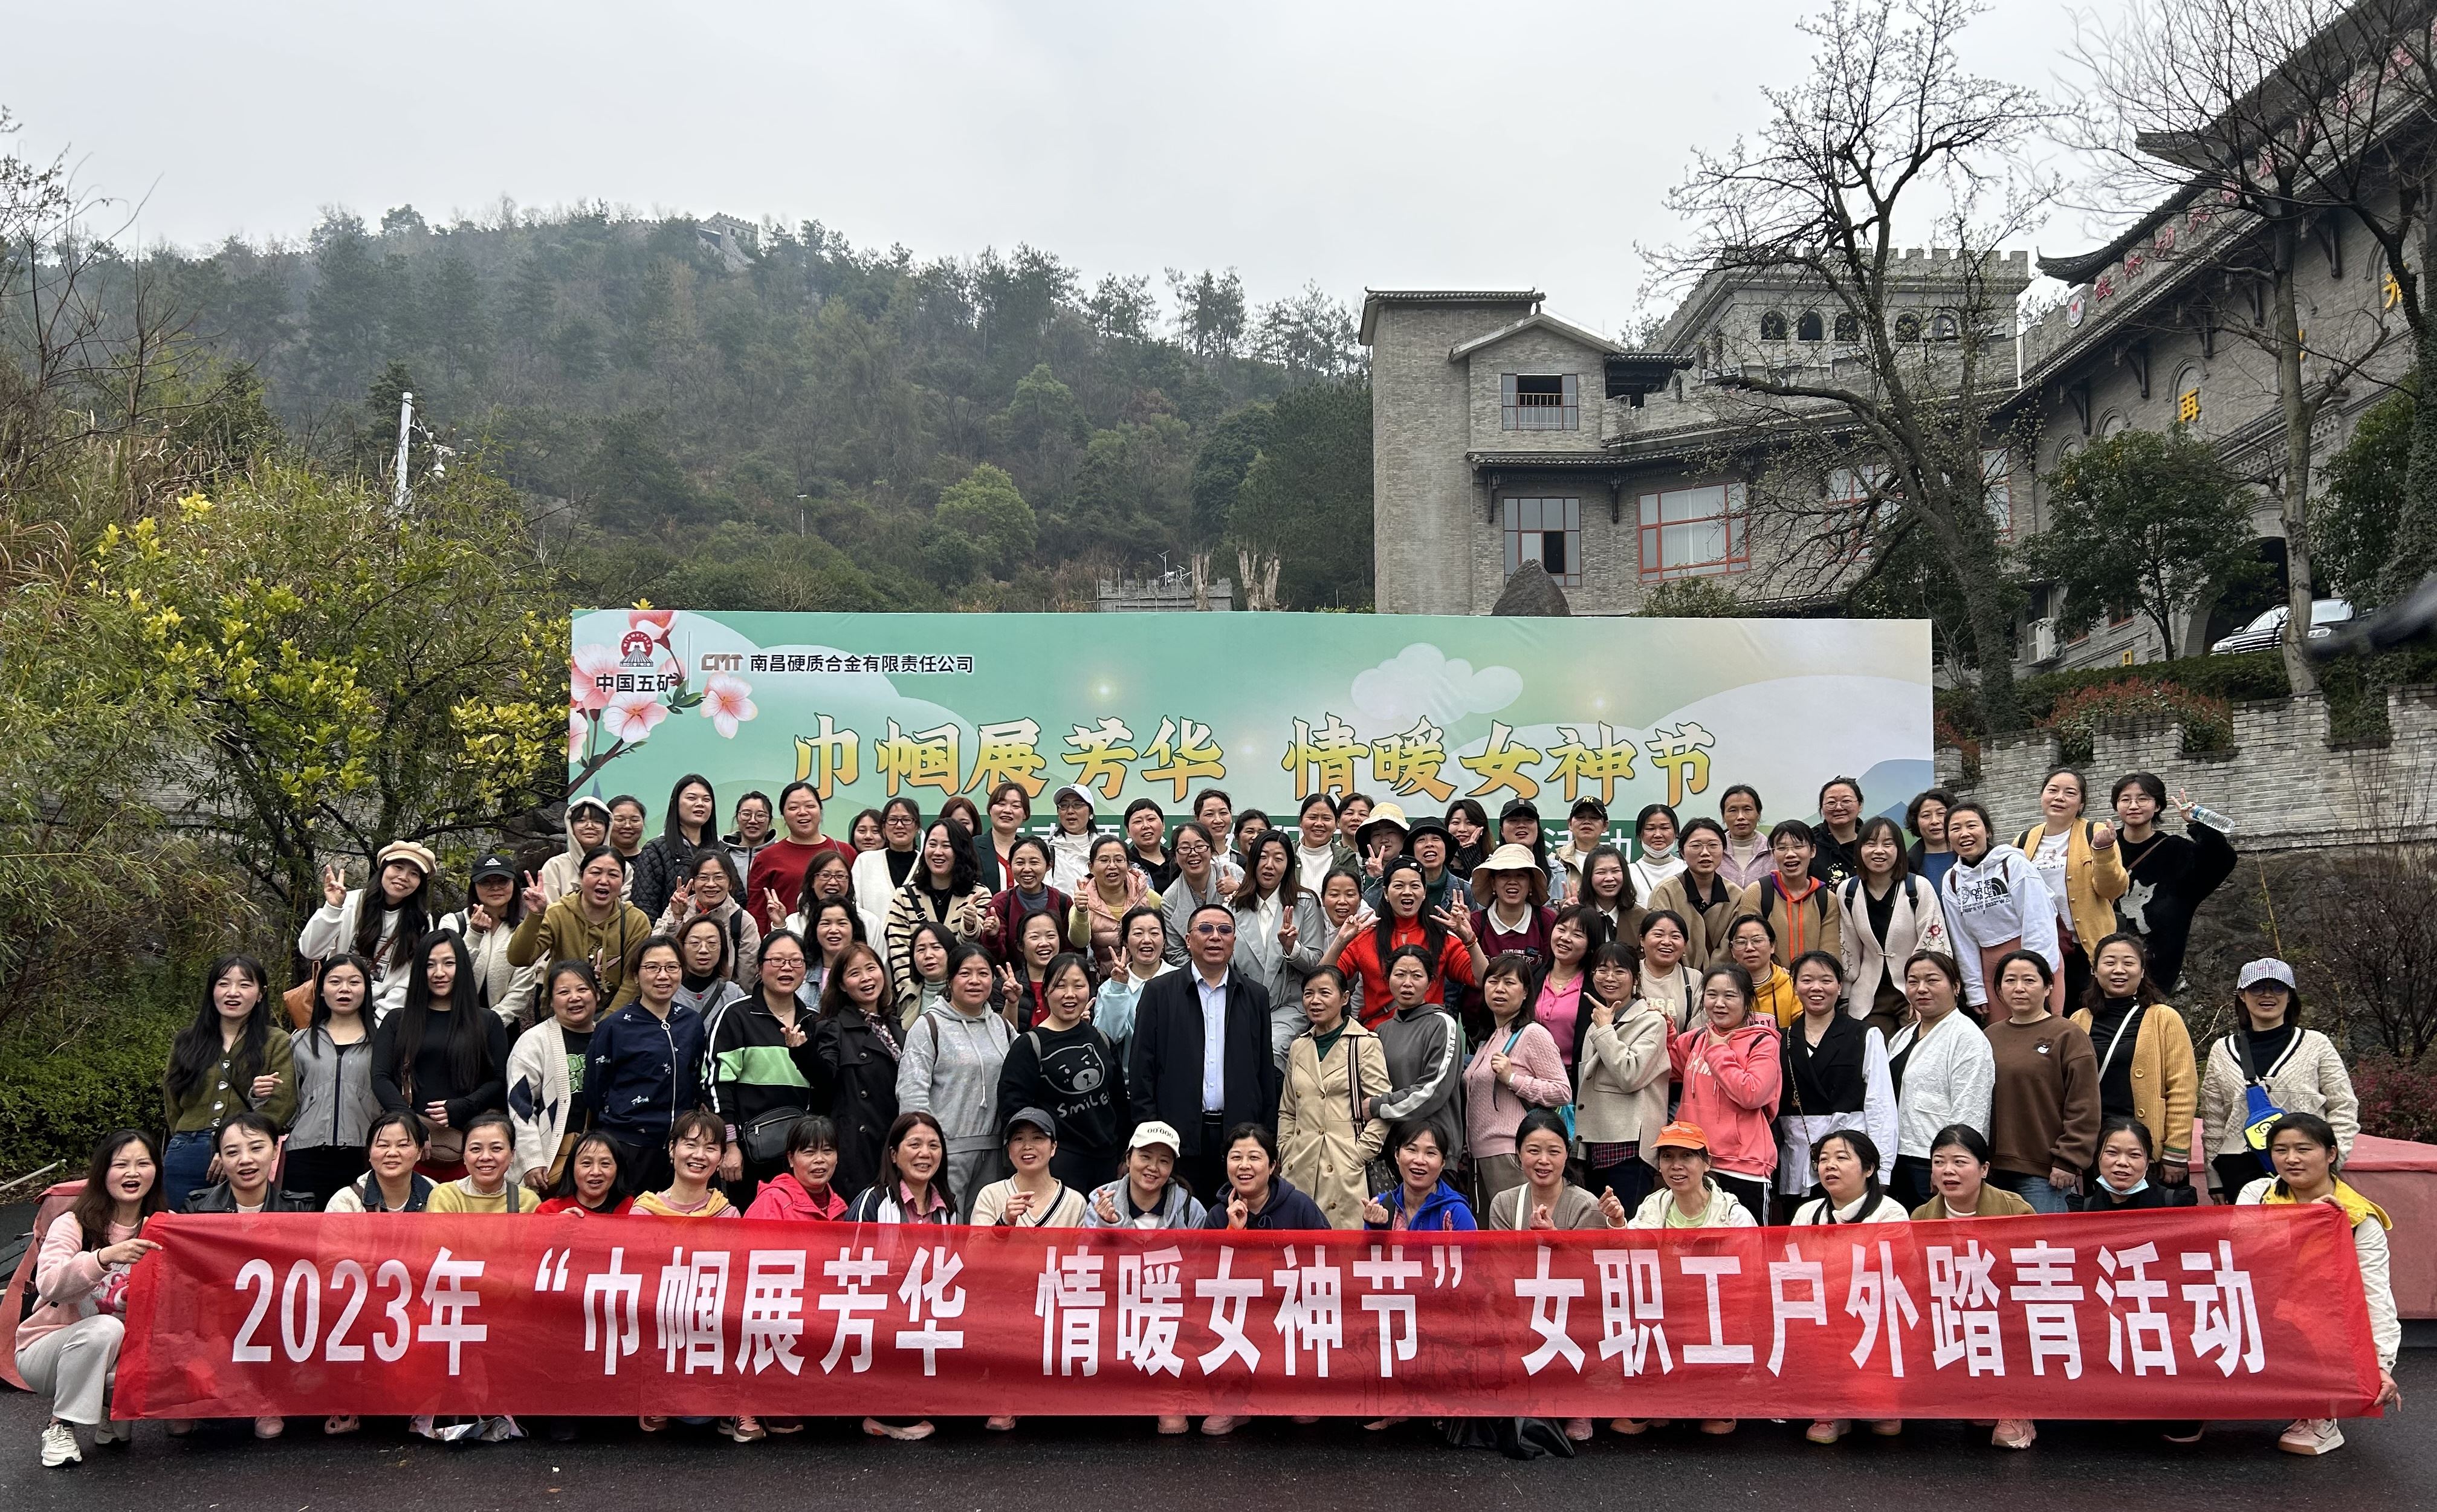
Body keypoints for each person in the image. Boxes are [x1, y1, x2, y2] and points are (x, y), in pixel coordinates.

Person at [2236, 1113, 2403, 1455]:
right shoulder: (2257, 1193)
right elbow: (2241, 1252)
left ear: (2330, 1154)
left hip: (2317, 1318)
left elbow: (2374, 1294)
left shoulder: (2360, 1218)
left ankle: (2320, 1417)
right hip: (2255, 1304)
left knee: (2313, 1320)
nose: (2291, 1159)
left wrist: (2380, 1367)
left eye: (2303, 1149)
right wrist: (2303, 1224)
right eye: (2280, 1150)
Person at [17, 1131, 164, 1467]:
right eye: (121, 1165)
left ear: (156, 1171)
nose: (132, 1173)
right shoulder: (73, 1223)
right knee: (105, 1329)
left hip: (124, 1352)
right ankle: (59, 1426)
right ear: (102, 1173)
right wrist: (103, 1258)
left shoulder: (162, 1225)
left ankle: (107, 1407)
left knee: (120, 1437)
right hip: (47, 1350)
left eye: (143, 1163)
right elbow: (49, 1284)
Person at [1128, 903, 1281, 1202]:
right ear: (1188, 940)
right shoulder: (1159, 992)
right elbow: (1141, 1068)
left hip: (1239, 1138)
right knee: (1183, 1224)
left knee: (1235, 1224)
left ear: (1234, 941)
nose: (1215, 937)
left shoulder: (1254, 995)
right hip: (1175, 1135)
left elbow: (1264, 1071)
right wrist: (1150, 1132)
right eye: (1206, 929)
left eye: (1225, 931)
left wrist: (1265, 1137)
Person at [2201, 956, 2358, 1201]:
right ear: (2242, 995)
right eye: (2257, 988)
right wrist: (2215, 1180)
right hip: (2239, 1169)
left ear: (2290, 994)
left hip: (2303, 1167)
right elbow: (2213, 1121)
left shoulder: (2316, 1045)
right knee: (2251, 1238)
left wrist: (2330, 1161)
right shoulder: (2222, 1049)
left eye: (2277, 988)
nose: (2267, 995)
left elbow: (2344, 1106)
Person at [843, 1112, 959, 1443]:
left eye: (934, 1145)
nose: (926, 1154)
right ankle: (882, 1412)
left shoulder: (947, 1207)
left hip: (927, 1308)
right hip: (880, 1307)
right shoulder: (873, 1201)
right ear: (894, 1154)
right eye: (915, 1145)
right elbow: (852, 1266)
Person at [1788, 1129, 1906, 1445]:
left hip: (1872, 1316)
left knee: (1881, 1420)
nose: (1830, 1166)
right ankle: (1829, 1408)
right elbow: (1789, 1269)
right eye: (1823, 1160)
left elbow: (1889, 1274)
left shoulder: (1891, 1213)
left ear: (1869, 1169)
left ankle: (1878, 1395)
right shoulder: (1807, 1213)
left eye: (1842, 1158)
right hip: (1820, 1316)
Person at [370, 932, 510, 1180]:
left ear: (463, 967)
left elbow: (498, 1081)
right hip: (410, 1149)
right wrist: (411, 1124)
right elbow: (380, 1078)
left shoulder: (487, 1021)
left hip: (470, 1150)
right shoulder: (396, 1021)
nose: (439, 973)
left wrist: (464, 1106)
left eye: (449, 963)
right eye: (430, 965)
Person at [160, 954, 295, 1204]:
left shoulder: (276, 1041)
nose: (233, 992)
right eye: (223, 984)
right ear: (212, 990)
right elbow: (172, 1100)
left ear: (261, 993)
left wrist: (236, 1146)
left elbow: (283, 1102)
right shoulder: (188, 1040)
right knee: (182, 1229)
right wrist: (183, 1137)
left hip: (244, 1153)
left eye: (244, 985)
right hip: (187, 1149)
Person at [577, 934, 705, 1194]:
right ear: (636, 975)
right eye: (652, 967)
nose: (663, 976)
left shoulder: (691, 1022)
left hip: (680, 1146)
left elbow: (696, 1075)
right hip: (629, 1144)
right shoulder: (614, 1026)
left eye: (672, 967)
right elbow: (594, 1089)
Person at [2069, 932, 2198, 1190]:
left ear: (2142, 971)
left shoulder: (2163, 1018)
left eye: (2128, 963)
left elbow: (2182, 1087)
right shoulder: (2078, 1021)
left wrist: (2176, 1151)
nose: (2119, 970)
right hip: (2098, 1148)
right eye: (2109, 963)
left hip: (2147, 1150)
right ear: (2094, 970)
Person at [702, 926, 820, 1206]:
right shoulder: (736, 1016)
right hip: (748, 1154)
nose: (786, 968)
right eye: (777, 961)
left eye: (796, 961)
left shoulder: (816, 1021)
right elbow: (717, 1084)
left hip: (799, 1155)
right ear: (759, 966)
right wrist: (729, 1145)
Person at [896, 942, 1015, 1213]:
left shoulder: (1002, 1027)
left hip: (995, 1150)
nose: (975, 981)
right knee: (945, 1228)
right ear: (949, 980)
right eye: (965, 973)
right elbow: (912, 1090)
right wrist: (923, 1146)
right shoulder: (929, 1026)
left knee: (987, 1229)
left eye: (983, 974)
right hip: (946, 1151)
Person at [1776, 952, 1897, 1210]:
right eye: (1807, 980)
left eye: (1826, 980)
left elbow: (1881, 1105)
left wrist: (1882, 1169)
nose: (1816, 988)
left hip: (1850, 1157)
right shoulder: (1780, 1039)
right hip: (1799, 1158)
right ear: (1795, 985)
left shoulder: (1864, 1035)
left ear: (1840, 986)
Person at [995, 953, 1128, 1187]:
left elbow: (1119, 1104)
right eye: (1060, 986)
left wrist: (1124, 1154)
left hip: (1107, 1164)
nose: (1070, 994)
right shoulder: (1029, 1046)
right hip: (1058, 1167)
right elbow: (1014, 1112)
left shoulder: (1101, 1039)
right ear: (1046, 991)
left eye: (1079, 985)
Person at [1984, 949, 2100, 1213]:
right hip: (1993, 1170)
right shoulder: (1989, 1036)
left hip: (2046, 1172)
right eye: (2010, 980)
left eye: (2029, 980)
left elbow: (2084, 1104)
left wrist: (2069, 1159)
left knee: (2045, 1249)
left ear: (2048, 987)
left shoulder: (2068, 1035)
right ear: (1999, 990)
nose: (2019, 988)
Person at [1276, 966, 1391, 1229]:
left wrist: (1359, 1153)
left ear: (1345, 998)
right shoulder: (1299, 1046)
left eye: (1324, 993)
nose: (1315, 1001)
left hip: (1344, 1166)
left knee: (1342, 1254)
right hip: (1301, 1163)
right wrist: (1285, 1149)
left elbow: (1383, 1106)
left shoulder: (1364, 1043)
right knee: (1298, 1252)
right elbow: (1288, 1110)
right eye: (1308, 994)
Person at [1669, 963, 1780, 1223]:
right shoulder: (1695, 1039)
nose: (1719, 1003)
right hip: (1696, 1162)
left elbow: (1752, 1093)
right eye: (1712, 995)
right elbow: (1666, 1069)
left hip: (1744, 1166)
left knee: (1748, 1253)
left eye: (1730, 996)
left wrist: (1719, 1052)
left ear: (1747, 1000)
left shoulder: (1762, 1041)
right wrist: (1664, 1033)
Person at [1885, 953, 1993, 1210]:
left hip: (1934, 1162)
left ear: (1956, 986)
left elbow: (1972, 1108)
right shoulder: (1902, 1037)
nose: (1921, 989)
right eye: (1913, 982)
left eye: (1932, 980)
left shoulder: (1967, 1037)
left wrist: (1950, 1165)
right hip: (1898, 1156)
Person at [2013, 767, 2126, 1012]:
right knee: (2049, 1016)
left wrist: (2103, 851)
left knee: (2090, 1015)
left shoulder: (2095, 833)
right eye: (2052, 790)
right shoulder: (2022, 841)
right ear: (2042, 796)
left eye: (2070, 793)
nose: (2059, 798)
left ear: (2081, 803)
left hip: (2086, 948)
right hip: (2042, 947)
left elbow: (2113, 890)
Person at [1329, 855, 1486, 1030]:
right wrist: (1341, 941)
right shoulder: (1366, 937)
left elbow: (1481, 980)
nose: (1407, 892)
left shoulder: (1442, 938)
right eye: (1398, 886)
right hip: (1377, 1037)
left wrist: (1470, 940)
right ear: (1386, 893)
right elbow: (1324, 980)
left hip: (1428, 1036)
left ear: (1424, 892)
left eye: (1415, 886)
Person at [2110, 773, 2236, 990]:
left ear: (2157, 806)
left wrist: (2198, 825)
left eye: (2143, 799)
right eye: (2125, 799)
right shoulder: (2104, 846)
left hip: (2157, 967)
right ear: (2116, 806)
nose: (2134, 806)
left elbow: (2222, 860)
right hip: (2105, 963)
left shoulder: (2175, 851)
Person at [1463, 954, 1570, 1204]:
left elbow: (1562, 1091)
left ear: (1525, 993)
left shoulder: (1532, 1033)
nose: (1499, 989)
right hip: (1480, 1155)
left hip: (1511, 1151)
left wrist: (1512, 1079)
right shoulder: (1488, 1038)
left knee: (1515, 1235)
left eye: (1509, 983)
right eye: (1493, 981)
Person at [1575, 940, 1672, 1214]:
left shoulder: (1652, 1021)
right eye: (1602, 970)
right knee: (1597, 1234)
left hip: (1630, 1148)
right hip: (1595, 1145)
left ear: (1636, 978)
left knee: (1626, 1231)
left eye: (1620, 971)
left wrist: (1605, 1030)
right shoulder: (1598, 1020)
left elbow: (1630, 1074)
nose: (1609, 978)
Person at [1938, 799, 2058, 1013]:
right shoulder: (1952, 880)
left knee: (2045, 1034)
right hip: (1991, 967)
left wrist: (2037, 974)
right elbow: (1962, 939)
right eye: (1955, 829)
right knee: (2002, 1037)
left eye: (1972, 826)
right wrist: (1975, 989)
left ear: (1988, 831)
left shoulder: (2014, 864)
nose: (1964, 833)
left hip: (2034, 955)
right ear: (1948, 838)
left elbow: (2039, 921)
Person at [299, 839, 439, 1020]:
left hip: (380, 1016)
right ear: (383, 869)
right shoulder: (349, 902)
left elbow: (411, 977)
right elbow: (311, 950)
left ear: (420, 883)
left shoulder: (421, 920)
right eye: (397, 867)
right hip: (333, 1009)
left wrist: (381, 1020)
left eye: (414, 874)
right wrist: (332, 909)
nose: (404, 877)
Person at [1837, 816, 1950, 1039]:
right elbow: (1848, 948)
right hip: (1869, 994)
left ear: (1899, 850)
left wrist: (1924, 991)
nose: (1879, 851)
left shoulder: (1917, 888)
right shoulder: (1847, 891)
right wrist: (1846, 999)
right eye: (1870, 844)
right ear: (1860, 849)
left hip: (1914, 989)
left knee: (1918, 1050)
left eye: (1888, 844)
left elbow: (1934, 944)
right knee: (1869, 1053)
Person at [807, 940, 901, 1198]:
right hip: (858, 1145)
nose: (866, 978)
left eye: (871, 969)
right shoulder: (832, 1027)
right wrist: (802, 1051)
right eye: (854, 973)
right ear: (841, 985)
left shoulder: (896, 1026)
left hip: (892, 1139)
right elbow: (824, 1079)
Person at [508, 845, 653, 1010]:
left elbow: (632, 980)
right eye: (596, 873)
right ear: (581, 876)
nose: (604, 881)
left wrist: (606, 1025)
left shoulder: (636, 921)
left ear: (622, 881)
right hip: (562, 1011)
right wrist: (535, 916)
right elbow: (519, 958)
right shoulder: (559, 913)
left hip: (612, 1013)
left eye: (613, 875)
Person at [284, 953, 377, 1208]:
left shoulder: (382, 1043)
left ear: (366, 990)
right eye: (335, 982)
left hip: (364, 1153)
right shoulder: (300, 1041)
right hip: (305, 1152)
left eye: (354, 982)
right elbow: (286, 1103)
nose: (344, 989)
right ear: (321, 990)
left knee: (356, 1238)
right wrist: (260, 1095)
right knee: (302, 1236)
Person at [1368, 945, 1468, 1181]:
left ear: (1431, 981)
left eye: (1417, 975)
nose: (1407, 983)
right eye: (1400, 974)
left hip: (1435, 1152)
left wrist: (1378, 1106)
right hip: (1394, 1153)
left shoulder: (1442, 1024)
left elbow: (1432, 1090)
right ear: (1388, 979)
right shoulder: (1381, 1031)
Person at [1231, 830, 1329, 1065]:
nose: (1269, 865)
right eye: (1263, 857)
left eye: (1278, 858)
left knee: (1270, 1053)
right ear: (1253, 862)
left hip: (1288, 1006)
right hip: (1240, 1006)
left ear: (1289, 865)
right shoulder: (1233, 907)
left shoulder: (1305, 903)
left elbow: (1317, 963)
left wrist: (1292, 949)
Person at [506, 961, 597, 1194]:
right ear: (551, 999)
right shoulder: (534, 1041)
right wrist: (532, 1158)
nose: (574, 998)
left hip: (595, 1160)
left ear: (596, 994)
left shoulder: (608, 1037)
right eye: (564, 992)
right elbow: (520, 1106)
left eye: (582, 989)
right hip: (550, 1156)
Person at [885, 818, 991, 1003]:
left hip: (964, 1002)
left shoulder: (978, 895)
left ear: (961, 851)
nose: (937, 852)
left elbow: (972, 953)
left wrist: (970, 926)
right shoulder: (904, 896)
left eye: (946, 846)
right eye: (932, 844)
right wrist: (911, 997)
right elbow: (899, 954)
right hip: (917, 1000)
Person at [444, 850, 544, 1027]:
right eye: (486, 882)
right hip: (449, 1021)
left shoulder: (523, 931)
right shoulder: (453, 922)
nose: (495, 888)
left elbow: (521, 990)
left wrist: (490, 1024)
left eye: (502, 881)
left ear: (514, 884)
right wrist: (473, 934)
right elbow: (446, 971)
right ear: (474, 887)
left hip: (500, 1027)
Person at [1487, 1107, 1623, 1230]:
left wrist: (1553, 1238)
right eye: (1534, 1151)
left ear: (1567, 1154)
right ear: (1519, 1152)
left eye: (1553, 1152)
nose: (1544, 1160)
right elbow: (1502, 1258)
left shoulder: (1587, 1206)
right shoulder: (1504, 1204)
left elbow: (1587, 1258)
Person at [746, 780, 852, 934]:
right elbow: (757, 914)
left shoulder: (845, 851)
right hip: (786, 946)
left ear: (820, 810)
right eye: (794, 808)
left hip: (837, 939)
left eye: (810, 806)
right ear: (783, 814)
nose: (803, 812)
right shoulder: (767, 857)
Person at [1737, 819, 1843, 969]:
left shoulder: (1827, 899)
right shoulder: (1757, 893)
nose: (1790, 854)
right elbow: (1748, 950)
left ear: (1813, 851)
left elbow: (1830, 956)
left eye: (1798, 847)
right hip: (1766, 987)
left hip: (1812, 988)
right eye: (1782, 848)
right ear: (1773, 853)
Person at [656, 849, 762, 994]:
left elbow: (746, 977)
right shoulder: (677, 907)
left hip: (723, 998)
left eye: (719, 877)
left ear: (731, 883)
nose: (711, 884)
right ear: (692, 883)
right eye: (704, 878)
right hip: (675, 994)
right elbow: (656, 950)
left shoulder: (743, 921)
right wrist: (677, 918)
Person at [971, 1107, 1089, 1227]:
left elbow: (1085, 1246)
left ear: (1053, 1147)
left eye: (1037, 1138)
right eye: (1018, 1139)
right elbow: (975, 1246)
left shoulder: (1075, 1202)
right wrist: (1005, 1222)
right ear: (1009, 1151)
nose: (1027, 1146)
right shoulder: (990, 1195)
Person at [184, 1112, 314, 1221]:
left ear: (275, 1151)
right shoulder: (196, 1208)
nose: (245, 1160)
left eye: (256, 1148)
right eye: (232, 1152)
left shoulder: (299, 1208)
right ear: (221, 1159)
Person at [1086, 1122, 1209, 1230]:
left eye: (1164, 1161)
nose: (1153, 1167)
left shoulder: (1191, 1209)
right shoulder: (1101, 1204)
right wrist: (1106, 1225)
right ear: (1128, 1159)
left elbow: (1201, 1255)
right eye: (1146, 1157)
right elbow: (1088, 1253)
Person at [1645, 819, 1736, 968]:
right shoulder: (1666, 892)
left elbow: (1732, 945)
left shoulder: (1735, 895)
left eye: (1713, 845)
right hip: (1675, 977)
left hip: (1723, 980)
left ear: (1724, 850)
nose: (1705, 853)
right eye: (1696, 846)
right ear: (1682, 852)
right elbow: (1659, 941)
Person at [631, 773, 716, 922]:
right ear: (674, 803)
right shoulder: (655, 850)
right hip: (668, 940)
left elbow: (737, 902)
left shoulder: (722, 851)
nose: (700, 804)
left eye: (706, 799)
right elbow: (644, 910)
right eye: (691, 798)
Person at [977, 835, 1072, 969]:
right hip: (1014, 979)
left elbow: (1071, 950)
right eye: (1020, 863)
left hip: (1056, 979)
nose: (1027, 869)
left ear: (1049, 865)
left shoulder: (1063, 902)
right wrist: (993, 936)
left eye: (1034, 862)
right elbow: (994, 957)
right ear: (1010, 865)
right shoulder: (1001, 903)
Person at [1364, 1121, 1476, 1232]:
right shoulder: (1381, 1206)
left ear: (1443, 1163)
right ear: (1397, 1155)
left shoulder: (1456, 1212)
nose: (1420, 1161)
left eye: (1431, 1153)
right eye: (1412, 1150)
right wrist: (1376, 1228)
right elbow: (1372, 1250)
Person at [1915, 1122, 2036, 1222]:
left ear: (1984, 1169)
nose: (1948, 1171)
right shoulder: (1920, 1218)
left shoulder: (2016, 1211)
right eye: (1939, 1162)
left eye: (1959, 1162)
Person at [1468, 842, 1554, 981]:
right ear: (1493, 883)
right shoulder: (1474, 922)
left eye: (1520, 876)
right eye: (1504, 875)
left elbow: (1554, 972)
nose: (1512, 882)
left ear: (1531, 884)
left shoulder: (1546, 920)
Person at [1093, 905, 1171, 1059]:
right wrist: (1118, 989)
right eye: (1138, 934)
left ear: (1164, 942)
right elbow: (1107, 1039)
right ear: (1126, 943)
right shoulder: (1110, 987)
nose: (1147, 940)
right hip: (1129, 1079)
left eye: (1154, 933)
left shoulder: (1182, 980)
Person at [2077, 1116, 2198, 1212]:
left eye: (2134, 1155)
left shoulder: (2175, 1204)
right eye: (2112, 1153)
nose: (2122, 1163)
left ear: (2148, 1162)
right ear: (2098, 1157)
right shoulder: (2083, 1210)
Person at [327, 1110, 438, 1213]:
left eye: (403, 1145)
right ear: (370, 1152)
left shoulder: (437, 1195)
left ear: (419, 1152)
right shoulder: (346, 1201)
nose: (392, 1153)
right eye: (383, 1145)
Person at [743, 1114, 849, 1221]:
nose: (820, 1159)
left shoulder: (840, 1207)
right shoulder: (772, 1201)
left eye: (827, 1151)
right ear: (791, 1159)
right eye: (809, 1152)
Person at [425, 1112, 535, 1212]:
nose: (485, 1157)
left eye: (496, 1148)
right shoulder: (446, 1196)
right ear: (464, 1156)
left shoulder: (526, 1201)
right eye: (476, 1149)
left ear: (512, 1155)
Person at [1527, 906, 1594, 1070]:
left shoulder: (1595, 988)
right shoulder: (1531, 975)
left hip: (1573, 1079)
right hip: (1527, 1072)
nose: (1565, 938)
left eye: (1577, 935)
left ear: (1591, 944)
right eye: (1561, 929)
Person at [1158, 821, 1231, 968]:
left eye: (1200, 846)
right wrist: (1205, 974)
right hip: (1196, 977)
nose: (1193, 853)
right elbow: (1176, 952)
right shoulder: (1170, 899)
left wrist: (1240, 891)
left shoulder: (1232, 874)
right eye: (1184, 848)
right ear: (1175, 856)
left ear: (1212, 850)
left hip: (1241, 971)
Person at [1627, 910, 1703, 1029]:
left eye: (1675, 937)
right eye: (1658, 935)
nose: (1667, 942)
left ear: (1685, 945)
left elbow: (1698, 1028)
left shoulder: (1694, 978)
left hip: (1679, 1047)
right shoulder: (1629, 972)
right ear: (1642, 940)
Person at [1391, 814, 1474, 917]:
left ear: (1446, 849)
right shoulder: (1395, 889)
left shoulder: (1465, 890)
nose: (1429, 844)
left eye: (1436, 839)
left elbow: (1476, 931)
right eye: (1421, 840)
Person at [1727, 913, 1799, 1029]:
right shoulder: (1723, 987)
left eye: (1758, 940)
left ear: (1772, 946)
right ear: (1732, 951)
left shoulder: (1792, 986)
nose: (1749, 948)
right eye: (1741, 942)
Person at [535, 1130, 630, 1216]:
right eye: (586, 1163)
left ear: (618, 1169)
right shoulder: (548, 1211)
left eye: (605, 1164)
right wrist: (556, 1227)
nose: (596, 1172)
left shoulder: (632, 1210)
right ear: (572, 1168)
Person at [540, 796, 615, 906]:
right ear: (571, 826)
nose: (590, 826)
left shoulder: (621, 867)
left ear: (607, 827)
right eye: (581, 821)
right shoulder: (555, 866)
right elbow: (550, 911)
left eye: (598, 821)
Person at [998, 908, 1065, 1030]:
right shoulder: (1003, 987)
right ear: (1020, 945)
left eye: (1051, 936)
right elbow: (1001, 1037)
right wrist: (1012, 1003)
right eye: (1035, 937)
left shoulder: (1076, 983)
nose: (1044, 943)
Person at [671, 914, 746, 1021]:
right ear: (682, 947)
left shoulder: (733, 994)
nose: (703, 950)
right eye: (695, 943)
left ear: (722, 948)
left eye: (712, 943)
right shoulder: (668, 990)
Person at [1497, 797, 1567, 900]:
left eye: (1529, 820)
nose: (1521, 825)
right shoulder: (1486, 870)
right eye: (1513, 820)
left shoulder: (1556, 871)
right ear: (1502, 830)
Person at [892, 919, 956, 1030]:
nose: (928, 955)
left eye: (936, 947)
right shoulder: (908, 996)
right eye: (921, 950)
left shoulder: (966, 991)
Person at [1571, 845, 1639, 949]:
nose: (1609, 878)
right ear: (1589, 877)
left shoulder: (1641, 918)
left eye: (1616, 871)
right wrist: (1571, 916)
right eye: (1601, 872)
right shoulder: (1569, 909)